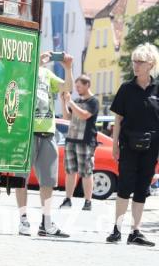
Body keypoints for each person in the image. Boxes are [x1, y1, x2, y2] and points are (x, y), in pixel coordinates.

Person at [106, 43, 159, 246]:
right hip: (128, 146)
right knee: (124, 187)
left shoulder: (158, 89)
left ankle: (135, 232)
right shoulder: (126, 89)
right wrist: (114, 145)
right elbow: (118, 119)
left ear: (151, 64)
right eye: (134, 61)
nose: (135, 65)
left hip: (151, 148)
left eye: (140, 62)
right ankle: (117, 229)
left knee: (142, 189)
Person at [15, 50, 72, 238]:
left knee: (48, 181)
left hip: (48, 131)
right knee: (21, 178)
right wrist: (36, 64)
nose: (46, 57)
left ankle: (46, 222)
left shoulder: (48, 75)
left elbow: (66, 87)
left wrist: (68, 67)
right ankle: (23, 220)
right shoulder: (24, 70)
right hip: (26, 132)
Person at [59, 74, 98, 211]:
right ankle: (68, 199)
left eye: (79, 86)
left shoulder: (93, 101)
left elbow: (84, 115)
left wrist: (71, 103)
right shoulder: (76, 100)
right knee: (70, 171)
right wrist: (64, 102)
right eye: (76, 86)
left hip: (85, 141)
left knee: (86, 172)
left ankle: (88, 201)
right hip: (71, 139)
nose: (77, 89)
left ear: (87, 85)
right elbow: (67, 117)